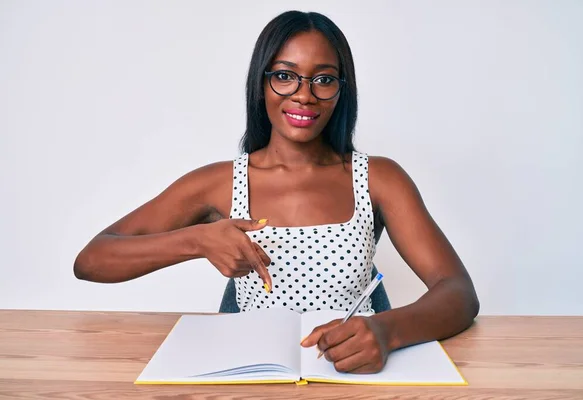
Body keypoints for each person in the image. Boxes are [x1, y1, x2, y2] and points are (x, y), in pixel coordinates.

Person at [74, 10, 479, 374]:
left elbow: (459, 292)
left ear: (342, 90)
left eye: (323, 79)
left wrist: (385, 331)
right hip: (252, 375)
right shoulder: (216, 183)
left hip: (354, 376)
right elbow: (92, 260)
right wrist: (195, 241)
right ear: (261, 82)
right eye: (285, 75)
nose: (304, 95)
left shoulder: (379, 178)